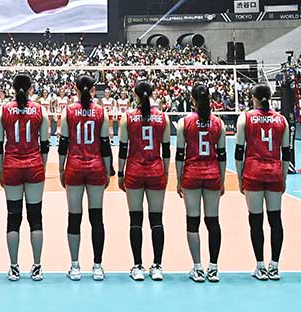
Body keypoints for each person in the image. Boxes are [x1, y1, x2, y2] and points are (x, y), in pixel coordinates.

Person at [0, 73, 49, 281]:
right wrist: (41, 166)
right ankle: (36, 266)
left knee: (13, 217)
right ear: (31, 89)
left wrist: (1, 170)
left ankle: (14, 266)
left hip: (12, 166)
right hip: (34, 164)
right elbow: (45, 145)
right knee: (36, 218)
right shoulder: (40, 110)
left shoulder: (3, 111)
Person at [58, 74, 111, 281]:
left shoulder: (69, 111)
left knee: (74, 217)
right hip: (96, 166)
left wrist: (61, 169)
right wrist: (107, 171)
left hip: (75, 166)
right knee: (96, 218)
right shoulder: (100, 112)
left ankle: (75, 266)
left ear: (76, 90)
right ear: (93, 90)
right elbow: (105, 145)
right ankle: (97, 266)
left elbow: (63, 144)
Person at [235, 84, 289, 281]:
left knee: (255, 221)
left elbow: (239, 151)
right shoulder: (281, 120)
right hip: (274, 172)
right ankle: (274, 266)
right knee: (276, 220)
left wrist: (240, 176)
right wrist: (283, 177)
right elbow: (286, 152)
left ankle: (260, 266)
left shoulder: (246, 118)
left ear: (254, 98)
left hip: (253, 172)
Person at [119, 80, 170, 281]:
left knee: (136, 219)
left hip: (134, 170)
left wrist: (121, 174)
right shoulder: (162, 118)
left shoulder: (128, 118)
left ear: (136, 95)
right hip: (156, 170)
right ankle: (157, 266)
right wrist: (165, 172)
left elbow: (123, 148)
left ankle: (138, 266)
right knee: (156, 219)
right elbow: (166, 150)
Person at [175, 83, 226, 283]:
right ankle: (213, 268)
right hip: (212, 173)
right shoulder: (218, 123)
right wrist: (221, 179)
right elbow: (222, 155)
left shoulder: (184, 122)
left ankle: (197, 267)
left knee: (193, 222)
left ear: (193, 100)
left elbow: (180, 154)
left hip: (192, 174)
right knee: (213, 221)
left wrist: (179, 179)